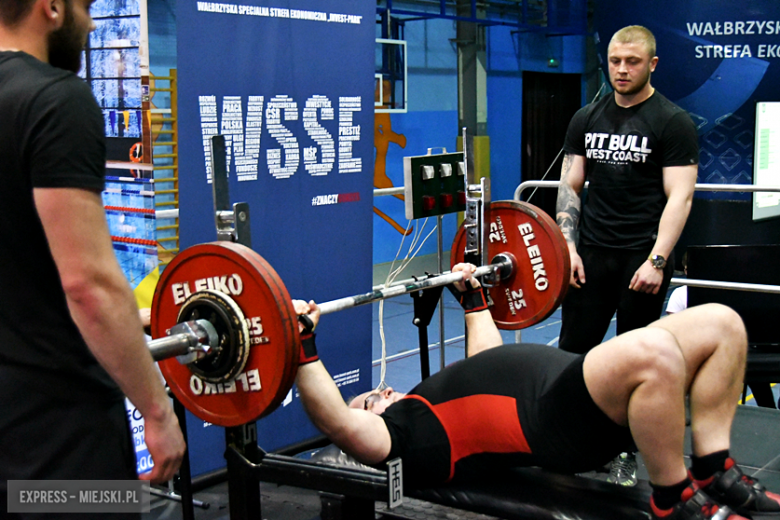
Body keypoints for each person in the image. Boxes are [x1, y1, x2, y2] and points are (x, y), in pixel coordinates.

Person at [292, 263, 780, 520]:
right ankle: (671, 498)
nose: (383, 390)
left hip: (571, 385)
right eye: (370, 399)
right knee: (656, 355)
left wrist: (474, 299)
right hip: (555, 419)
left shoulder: (428, 400)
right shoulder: (399, 441)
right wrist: (302, 344)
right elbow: (336, 419)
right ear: (371, 422)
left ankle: (715, 469)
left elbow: (488, 362)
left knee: (723, 324)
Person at [0, 0, 185, 511]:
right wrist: (157, 410)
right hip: (58, 441)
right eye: (85, 6)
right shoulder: (55, 100)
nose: (90, 23)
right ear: (52, 8)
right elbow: (89, 285)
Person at [555, 25, 699, 485]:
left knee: (635, 364)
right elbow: (570, 185)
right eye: (615, 60)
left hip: (642, 257)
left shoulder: (672, 121)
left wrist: (657, 260)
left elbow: (680, 198)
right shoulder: (586, 117)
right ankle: (570, 442)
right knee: (573, 354)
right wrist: (568, 247)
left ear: (652, 65)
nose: (621, 69)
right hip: (591, 255)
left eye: (632, 62)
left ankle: (625, 451)